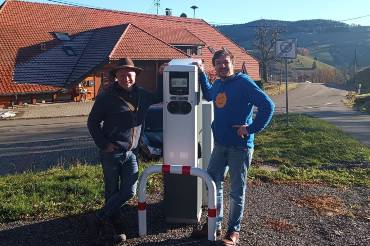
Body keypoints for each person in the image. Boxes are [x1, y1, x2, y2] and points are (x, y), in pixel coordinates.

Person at [191, 50, 275, 245]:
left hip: (240, 147)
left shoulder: (243, 82)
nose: (222, 66)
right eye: (218, 63)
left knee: (237, 190)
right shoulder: (219, 83)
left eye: (225, 62)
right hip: (220, 145)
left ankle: (233, 232)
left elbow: (268, 106)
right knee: (212, 182)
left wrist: (251, 128)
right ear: (215, 66)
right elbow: (210, 94)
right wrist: (202, 73)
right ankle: (214, 224)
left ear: (232, 63)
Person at [87, 58, 163, 243]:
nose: (126, 78)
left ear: (135, 76)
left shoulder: (143, 95)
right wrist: (104, 144)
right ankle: (112, 223)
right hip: (111, 153)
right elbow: (92, 122)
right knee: (112, 190)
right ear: (116, 76)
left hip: (132, 153)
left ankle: (101, 217)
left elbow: (160, 95)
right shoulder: (107, 97)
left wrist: (161, 75)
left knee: (129, 190)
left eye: (129, 74)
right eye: (121, 74)